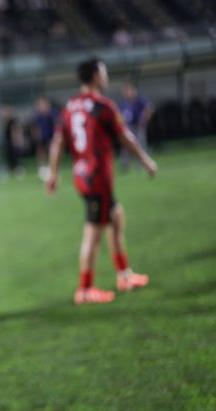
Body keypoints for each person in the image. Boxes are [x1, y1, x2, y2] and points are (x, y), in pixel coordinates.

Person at [46, 57, 157, 305]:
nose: (106, 77)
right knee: (93, 233)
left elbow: (58, 142)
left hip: (82, 175)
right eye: (104, 73)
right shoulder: (102, 106)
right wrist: (146, 161)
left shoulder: (71, 106)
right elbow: (125, 137)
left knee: (116, 217)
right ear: (96, 76)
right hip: (97, 177)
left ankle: (124, 275)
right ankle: (85, 289)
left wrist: (53, 173)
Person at [118, 83, 153, 171]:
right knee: (126, 145)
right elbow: (118, 114)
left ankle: (141, 165)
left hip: (138, 126)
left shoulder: (139, 101)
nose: (127, 93)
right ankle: (124, 165)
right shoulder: (123, 103)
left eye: (128, 91)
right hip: (128, 127)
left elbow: (149, 107)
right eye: (125, 92)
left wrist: (145, 119)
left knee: (140, 145)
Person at [31, 96, 57, 181]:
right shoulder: (37, 116)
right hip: (41, 136)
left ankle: (52, 167)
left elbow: (56, 125)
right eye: (40, 105)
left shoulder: (52, 114)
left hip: (50, 136)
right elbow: (34, 126)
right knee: (40, 151)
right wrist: (35, 134)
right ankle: (41, 167)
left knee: (51, 151)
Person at [1, 104, 25, 179]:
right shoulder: (4, 120)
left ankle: (18, 169)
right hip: (7, 141)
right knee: (9, 156)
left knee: (15, 155)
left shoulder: (13, 120)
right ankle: (10, 169)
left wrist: (18, 139)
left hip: (13, 140)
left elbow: (16, 129)